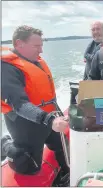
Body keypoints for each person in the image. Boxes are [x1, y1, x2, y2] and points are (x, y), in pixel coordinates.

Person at [1, 25, 69, 181]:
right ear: (19, 44)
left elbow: (49, 96)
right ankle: (5, 144)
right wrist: (50, 120)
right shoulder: (6, 69)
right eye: (36, 46)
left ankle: (67, 175)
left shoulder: (36, 61)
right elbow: (20, 105)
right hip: (25, 124)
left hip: (48, 117)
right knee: (28, 167)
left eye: (41, 46)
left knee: (63, 148)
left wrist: (58, 115)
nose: (41, 51)